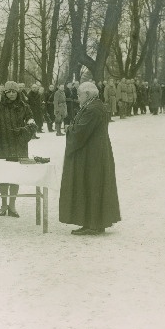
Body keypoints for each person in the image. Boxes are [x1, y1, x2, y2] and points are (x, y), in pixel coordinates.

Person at [59, 82, 121, 235]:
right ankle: (94, 223)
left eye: (79, 95)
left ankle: (92, 224)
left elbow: (80, 132)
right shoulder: (94, 106)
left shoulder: (92, 109)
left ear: (87, 94)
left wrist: (69, 129)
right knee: (93, 186)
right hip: (94, 152)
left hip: (92, 155)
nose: (78, 98)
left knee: (91, 186)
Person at [0, 81, 36, 217]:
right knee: (2, 176)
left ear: (18, 92)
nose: (11, 94)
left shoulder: (24, 107)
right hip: (2, 146)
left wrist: (23, 131)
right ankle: (3, 204)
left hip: (18, 145)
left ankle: (12, 206)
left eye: (14, 91)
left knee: (15, 175)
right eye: (8, 92)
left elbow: (32, 124)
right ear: (4, 93)